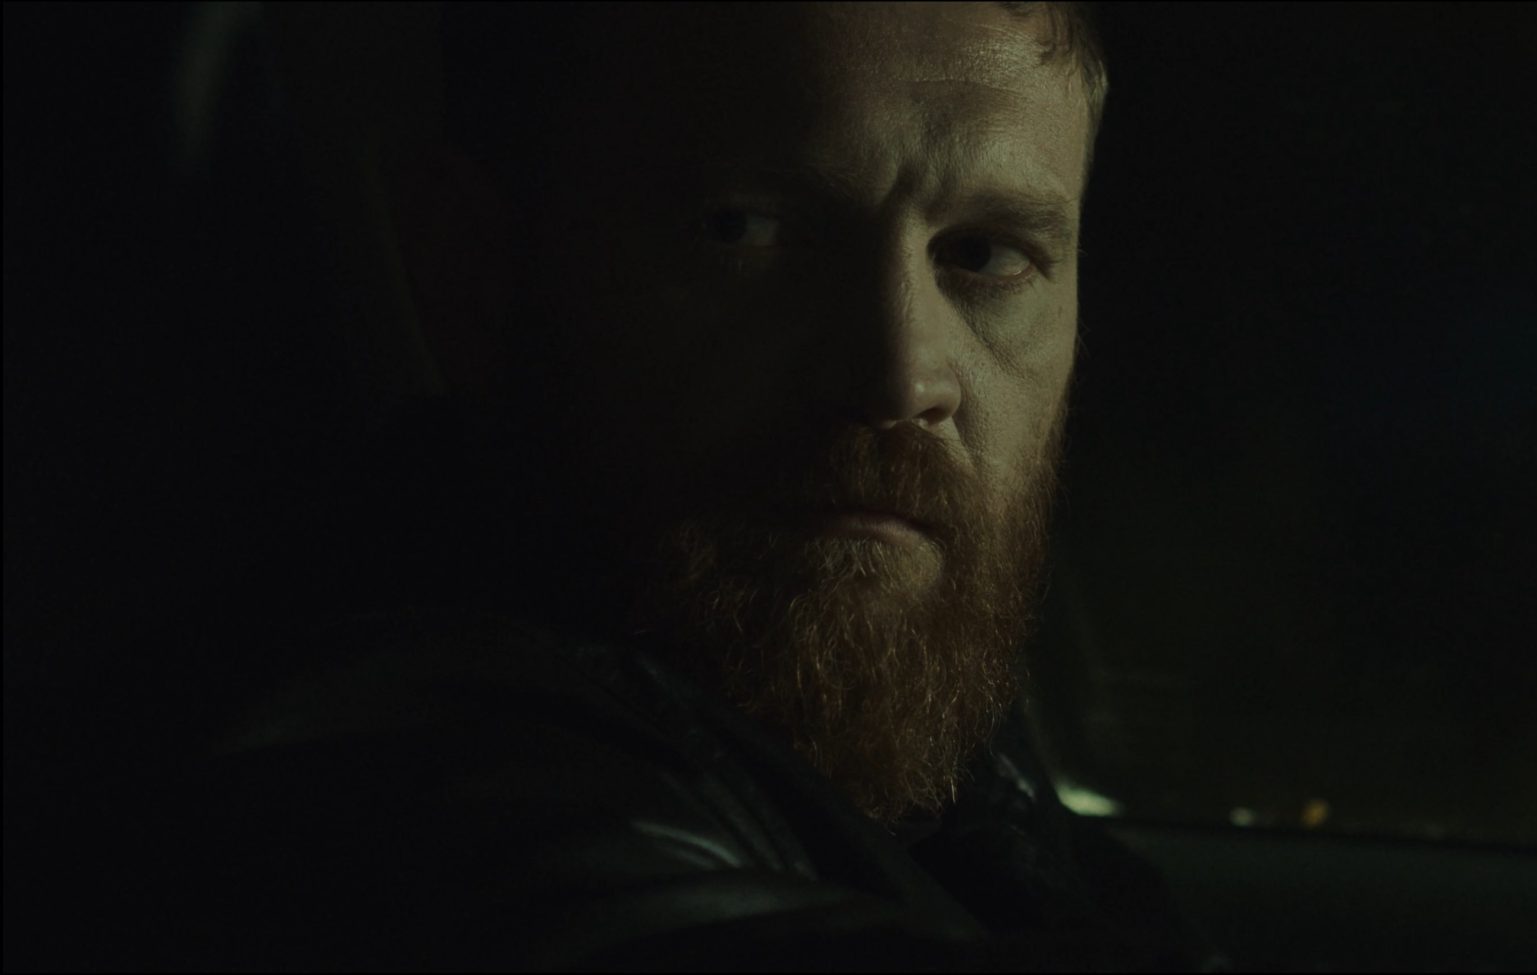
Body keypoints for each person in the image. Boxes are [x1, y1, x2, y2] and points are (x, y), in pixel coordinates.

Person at [77, 2, 1221, 970]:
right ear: (474, 270)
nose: (898, 374)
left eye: (983, 254)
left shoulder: (949, 785)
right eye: (745, 229)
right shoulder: (370, 784)